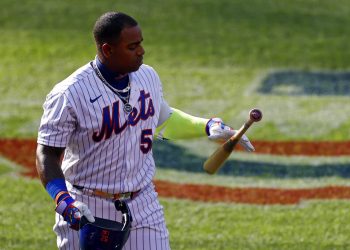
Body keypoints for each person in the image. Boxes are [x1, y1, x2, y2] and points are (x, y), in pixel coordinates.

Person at [36, 11, 254, 250]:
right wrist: (63, 200)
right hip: (88, 208)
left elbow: (163, 120)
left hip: (142, 204)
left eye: (140, 44)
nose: (141, 51)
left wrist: (206, 125)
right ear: (108, 50)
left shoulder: (147, 76)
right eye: (132, 46)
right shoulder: (70, 94)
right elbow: (47, 154)